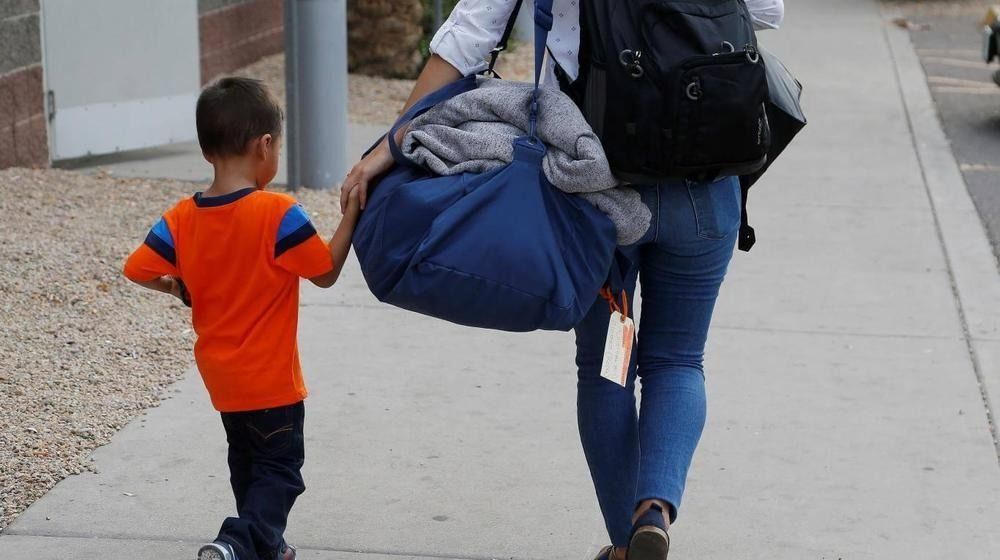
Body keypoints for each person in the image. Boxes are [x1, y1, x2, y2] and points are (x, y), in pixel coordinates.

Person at [342, 1, 784, 559]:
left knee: (607, 369)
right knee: (678, 359)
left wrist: (388, 146)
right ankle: (654, 509)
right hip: (707, 182)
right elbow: (767, 11)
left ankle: (625, 548)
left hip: (598, 189)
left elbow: (467, 38)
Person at [123, 77, 362, 560]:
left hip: (223, 380)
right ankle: (238, 541)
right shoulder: (278, 213)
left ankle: (264, 546)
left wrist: (176, 287)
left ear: (206, 150)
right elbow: (324, 272)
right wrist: (352, 214)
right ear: (264, 146)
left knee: (248, 466)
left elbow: (137, 268)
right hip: (271, 382)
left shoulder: (180, 219)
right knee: (279, 470)